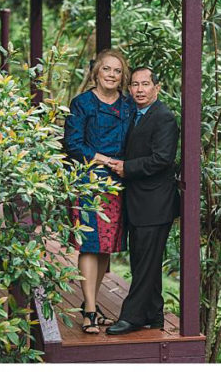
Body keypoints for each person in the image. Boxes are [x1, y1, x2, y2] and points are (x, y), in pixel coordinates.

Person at [64, 48, 135, 334]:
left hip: (118, 184)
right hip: (89, 180)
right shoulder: (82, 103)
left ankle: (89, 305)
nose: (111, 75)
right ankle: (90, 309)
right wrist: (104, 160)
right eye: (107, 69)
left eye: (117, 71)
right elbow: (73, 143)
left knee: (108, 245)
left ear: (122, 77)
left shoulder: (128, 106)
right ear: (96, 72)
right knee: (90, 244)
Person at [106, 67, 180, 335]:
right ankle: (154, 314)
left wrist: (127, 167)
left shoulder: (164, 118)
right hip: (139, 203)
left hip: (155, 204)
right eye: (135, 84)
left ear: (156, 88)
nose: (139, 89)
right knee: (142, 261)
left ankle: (132, 317)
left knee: (145, 262)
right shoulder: (135, 115)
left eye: (145, 84)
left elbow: (162, 159)